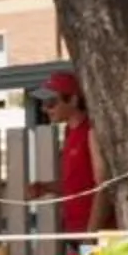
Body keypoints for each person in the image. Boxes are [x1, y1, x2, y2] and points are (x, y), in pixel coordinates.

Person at [31, 72, 100, 239]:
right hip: (73, 229)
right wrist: (47, 187)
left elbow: (103, 186)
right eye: (44, 103)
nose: (44, 108)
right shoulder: (69, 132)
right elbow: (79, 184)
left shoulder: (91, 131)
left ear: (74, 100)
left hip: (92, 231)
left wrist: (91, 234)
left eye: (51, 102)